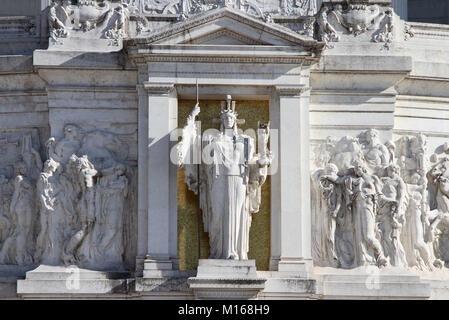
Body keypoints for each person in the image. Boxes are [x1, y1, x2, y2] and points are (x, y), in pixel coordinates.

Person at [178, 95, 271, 260]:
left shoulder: (246, 140)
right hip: (218, 180)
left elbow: (252, 163)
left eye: (231, 118)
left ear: (235, 121)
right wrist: (191, 124)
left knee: (236, 214)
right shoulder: (212, 139)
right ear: (221, 120)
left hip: (239, 179)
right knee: (217, 215)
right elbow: (200, 156)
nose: (228, 120)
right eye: (226, 118)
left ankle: (233, 252)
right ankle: (217, 251)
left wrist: (263, 150)